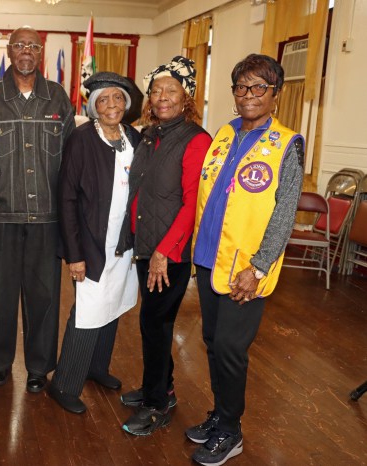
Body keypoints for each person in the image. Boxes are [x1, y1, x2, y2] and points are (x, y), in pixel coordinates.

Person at [187, 54, 303, 466]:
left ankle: (231, 431)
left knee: (232, 349)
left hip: (245, 271)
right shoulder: (224, 133)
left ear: (275, 94)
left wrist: (258, 267)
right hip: (207, 259)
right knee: (213, 345)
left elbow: (284, 213)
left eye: (258, 87)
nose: (248, 95)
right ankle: (219, 416)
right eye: (241, 87)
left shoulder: (286, 144)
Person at [0, 26, 75, 393]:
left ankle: (38, 368)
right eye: (19, 45)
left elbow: (71, 167)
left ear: (40, 51)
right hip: (0, 217)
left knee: (43, 296)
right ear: (9, 52)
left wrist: (69, 220)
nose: (26, 51)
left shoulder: (58, 99)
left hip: (48, 218)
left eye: (33, 45)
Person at [116, 56, 212, 436]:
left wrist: (164, 251)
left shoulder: (196, 139)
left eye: (170, 90)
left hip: (167, 253)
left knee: (154, 323)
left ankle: (157, 404)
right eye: (156, 90)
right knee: (156, 323)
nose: (161, 96)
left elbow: (192, 202)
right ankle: (161, 387)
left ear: (186, 96)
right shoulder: (152, 135)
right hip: (147, 246)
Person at [47, 72, 141, 414]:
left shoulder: (134, 136)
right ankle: (64, 384)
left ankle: (96, 367)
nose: (111, 105)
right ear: (94, 106)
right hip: (90, 244)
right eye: (103, 100)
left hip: (124, 242)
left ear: (126, 104)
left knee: (114, 303)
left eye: (117, 98)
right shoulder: (82, 138)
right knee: (88, 311)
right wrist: (74, 254)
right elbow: (67, 197)